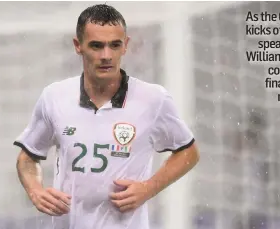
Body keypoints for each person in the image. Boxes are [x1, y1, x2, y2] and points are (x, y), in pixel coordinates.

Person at [14, 4, 200, 229]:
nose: (106, 55)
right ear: (78, 46)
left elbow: (189, 152)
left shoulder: (153, 100)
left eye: (114, 45)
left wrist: (149, 188)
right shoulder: (54, 97)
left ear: (126, 46)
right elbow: (27, 158)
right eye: (96, 46)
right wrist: (36, 191)